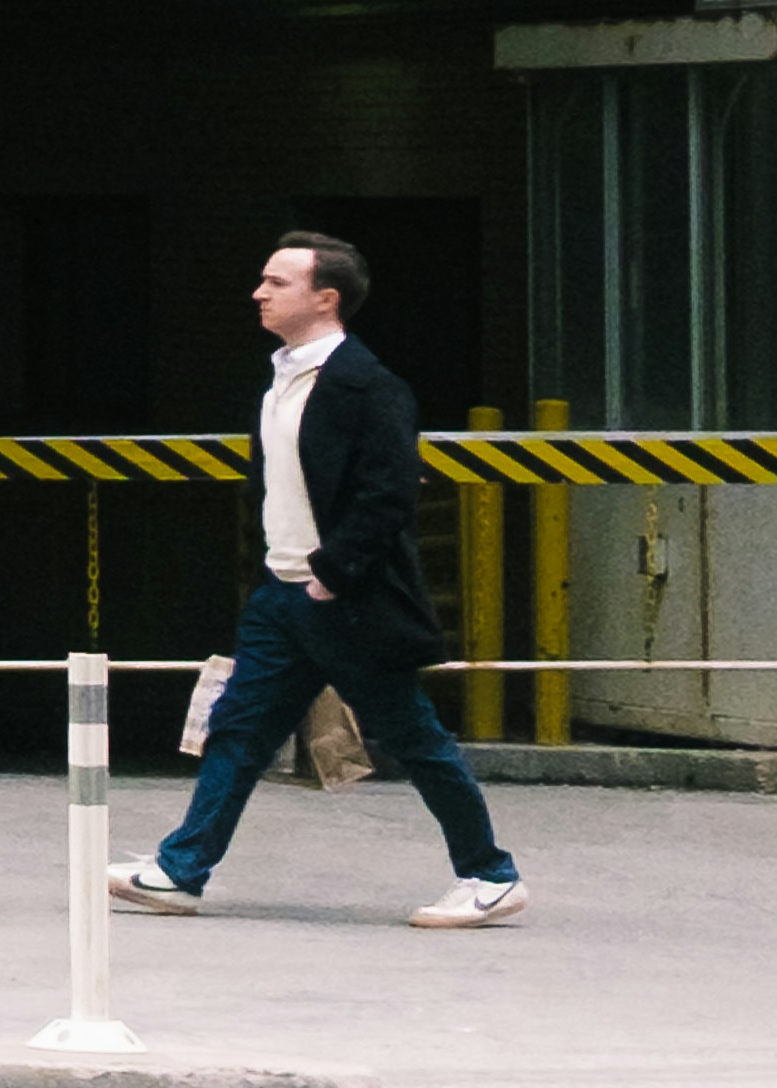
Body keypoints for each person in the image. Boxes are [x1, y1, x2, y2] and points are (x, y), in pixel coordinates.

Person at [111, 229, 525, 928]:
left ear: (325, 298)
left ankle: (491, 874)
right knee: (237, 729)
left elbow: (390, 494)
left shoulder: (369, 386)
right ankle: (181, 871)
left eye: (277, 282)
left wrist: (332, 576)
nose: (259, 292)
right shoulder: (280, 379)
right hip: (282, 595)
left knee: (411, 734)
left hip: (340, 598)